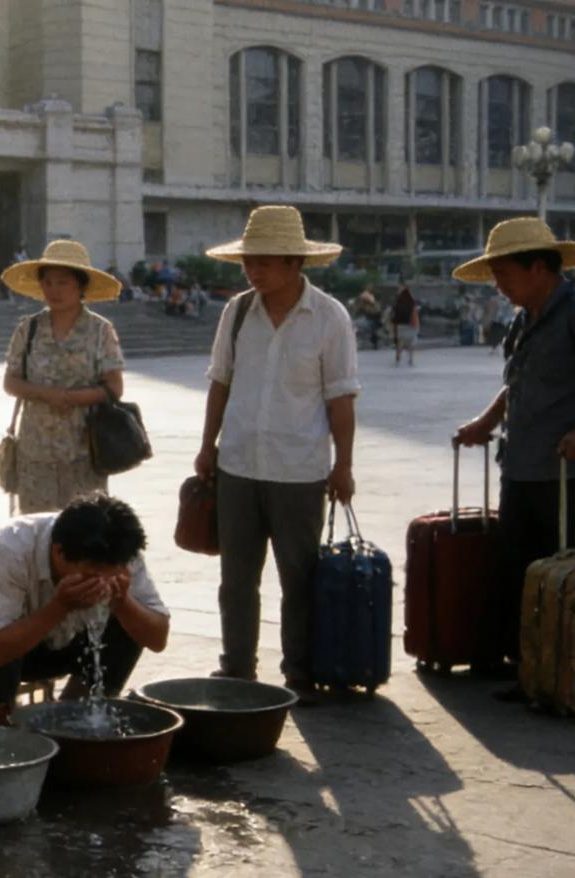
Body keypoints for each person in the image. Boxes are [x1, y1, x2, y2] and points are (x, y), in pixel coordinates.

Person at [451, 218, 575, 679]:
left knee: (565, 570)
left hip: (572, 470)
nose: (499, 284)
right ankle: (525, 662)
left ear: (538, 267)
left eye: (505, 273)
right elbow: (515, 384)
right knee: (517, 566)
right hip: (522, 463)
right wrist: (486, 422)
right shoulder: (524, 317)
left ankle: (565, 668)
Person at [194, 205, 359, 701]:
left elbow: (342, 398)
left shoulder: (329, 317)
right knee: (236, 578)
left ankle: (300, 672)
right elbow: (220, 382)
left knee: (299, 579)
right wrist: (207, 446)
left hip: (299, 469)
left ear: (294, 263)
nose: (253, 270)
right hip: (238, 463)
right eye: (249, 261)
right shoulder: (238, 311)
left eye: (264, 261)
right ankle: (237, 666)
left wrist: (343, 464)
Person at [0, 494, 169, 724]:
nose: (104, 578)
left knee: (132, 621)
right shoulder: (4, 550)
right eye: (93, 569)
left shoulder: (122, 554)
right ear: (58, 553)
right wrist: (60, 607)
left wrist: (123, 602)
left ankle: (77, 715)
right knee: (3, 633)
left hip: (70, 645)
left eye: (112, 569)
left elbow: (158, 639)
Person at [0, 240, 125, 514]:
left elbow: (114, 387)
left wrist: (71, 398)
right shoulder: (28, 329)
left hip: (84, 453)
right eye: (48, 282)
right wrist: (48, 395)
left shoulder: (100, 331)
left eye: (63, 282)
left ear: (80, 286)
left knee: (85, 535)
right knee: (37, 533)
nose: (54, 290)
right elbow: (10, 381)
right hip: (34, 455)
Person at [392, 286, 419, 366]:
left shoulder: (398, 303)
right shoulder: (412, 303)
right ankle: (411, 359)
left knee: (400, 343)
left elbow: (395, 316)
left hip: (401, 326)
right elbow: (415, 314)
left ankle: (398, 359)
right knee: (411, 343)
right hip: (411, 326)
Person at [482, 289, 513, 355]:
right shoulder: (497, 299)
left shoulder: (507, 300)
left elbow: (508, 310)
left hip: (504, 321)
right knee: (495, 335)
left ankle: (498, 348)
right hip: (498, 320)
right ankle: (494, 349)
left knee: (501, 335)